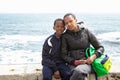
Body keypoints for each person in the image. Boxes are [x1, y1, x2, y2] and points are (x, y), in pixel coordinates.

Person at [61, 13, 104, 80]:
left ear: (75, 20)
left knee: (78, 71)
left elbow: (100, 48)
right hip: (72, 64)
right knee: (80, 76)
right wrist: (75, 62)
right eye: (66, 23)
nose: (69, 24)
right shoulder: (65, 36)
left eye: (71, 21)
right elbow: (63, 55)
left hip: (87, 63)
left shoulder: (86, 31)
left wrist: (93, 57)